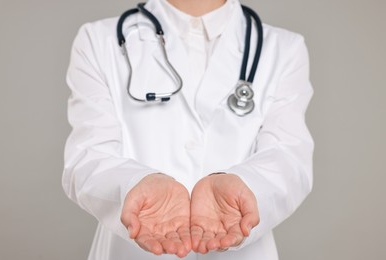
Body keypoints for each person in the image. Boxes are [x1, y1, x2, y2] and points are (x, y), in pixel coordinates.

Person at [62, 0, 314, 259]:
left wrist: (248, 186)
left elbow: (289, 158)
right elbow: (87, 156)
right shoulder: (98, 41)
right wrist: (132, 184)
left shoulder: (283, 49)